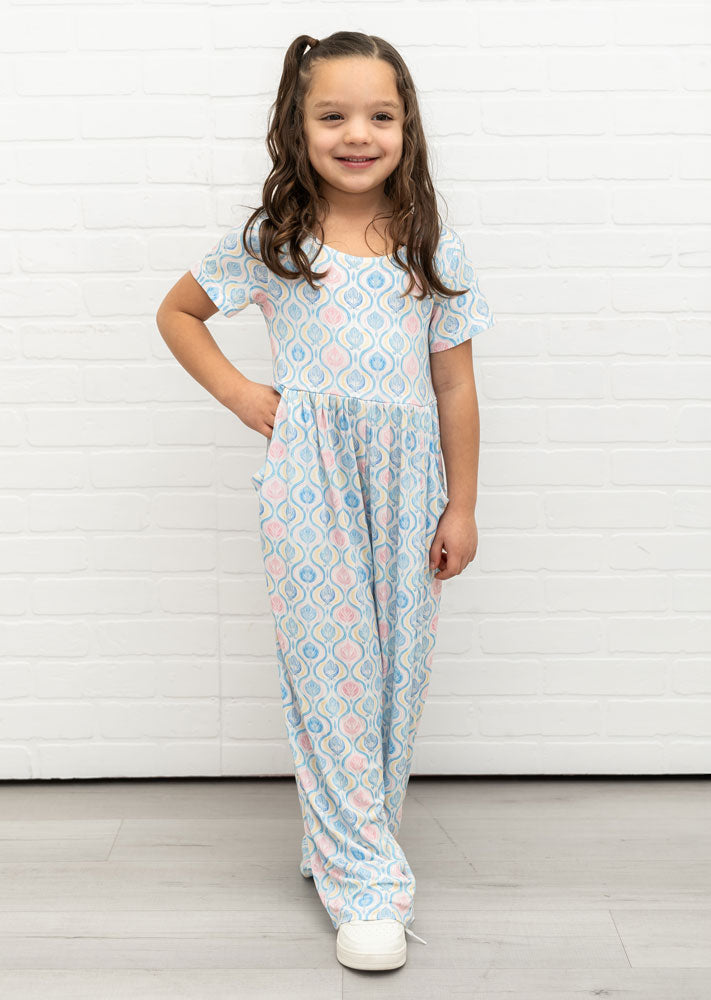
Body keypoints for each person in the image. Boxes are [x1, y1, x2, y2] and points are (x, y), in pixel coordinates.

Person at [155, 30, 495, 972]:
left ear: (406, 127)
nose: (357, 134)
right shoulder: (276, 242)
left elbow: (456, 385)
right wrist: (244, 396)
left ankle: (345, 838)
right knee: (332, 669)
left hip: (409, 481)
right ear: (296, 126)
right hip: (310, 477)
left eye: (379, 116)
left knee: (394, 677)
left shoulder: (431, 245)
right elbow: (178, 313)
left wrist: (462, 507)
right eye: (333, 115)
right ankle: (367, 881)